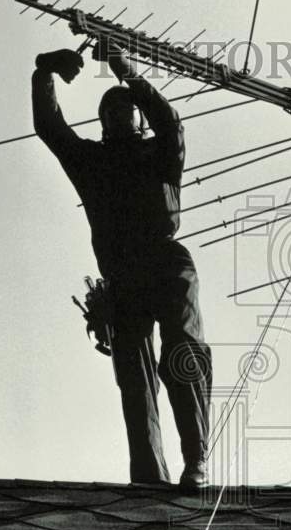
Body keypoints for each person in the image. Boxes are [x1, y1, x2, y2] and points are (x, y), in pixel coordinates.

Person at [30, 41, 211, 490]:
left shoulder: (159, 155)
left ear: (137, 119)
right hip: (124, 274)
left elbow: (170, 122)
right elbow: (50, 127)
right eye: (109, 111)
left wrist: (125, 71)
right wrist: (44, 73)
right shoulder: (91, 161)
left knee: (182, 351)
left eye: (126, 109)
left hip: (167, 263)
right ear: (102, 122)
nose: (118, 115)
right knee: (134, 374)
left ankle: (196, 460)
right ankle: (150, 474)